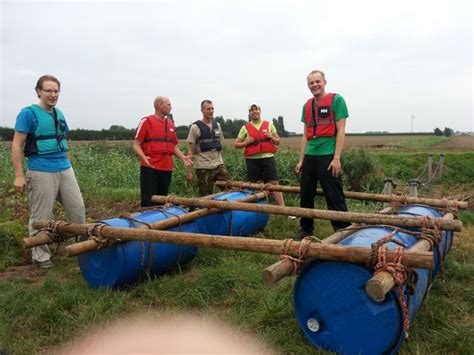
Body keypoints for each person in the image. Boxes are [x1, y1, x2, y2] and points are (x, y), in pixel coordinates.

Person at [11, 74, 86, 269]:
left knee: (77, 210)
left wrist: (69, 167)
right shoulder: (28, 113)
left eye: (56, 91)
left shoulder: (59, 113)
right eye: (48, 91)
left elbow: (64, 142)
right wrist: (19, 176)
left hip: (64, 168)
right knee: (41, 216)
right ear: (38, 92)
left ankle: (80, 249)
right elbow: (17, 145)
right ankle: (41, 255)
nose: (53, 95)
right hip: (40, 169)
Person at [294, 70, 350, 238]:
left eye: (317, 81)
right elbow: (305, 135)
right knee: (306, 194)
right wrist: (301, 160)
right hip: (310, 155)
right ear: (308, 86)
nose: (315, 85)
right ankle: (306, 228)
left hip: (328, 155)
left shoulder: (337, 100)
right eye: (311, 83)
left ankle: (343, 230)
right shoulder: (307, 105)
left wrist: (337, 158)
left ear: (324, 82)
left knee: (334, 195)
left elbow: (341, 131)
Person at [133, 96, 192, 207]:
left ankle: (159, 222)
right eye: (169, 104)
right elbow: (136, 144)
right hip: (150, 167)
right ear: (160, 105)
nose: (171, 107)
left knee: (161, 199)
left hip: (166, 168)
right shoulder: (146, 121)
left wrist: (183, 157)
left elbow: (172, 146)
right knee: (149, 200)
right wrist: (144, 158)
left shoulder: (170, 124)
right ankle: (148, 222)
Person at [234, 104, 285, 206]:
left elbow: (278, 141)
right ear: (249, 113)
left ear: (260, 111)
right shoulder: (245, 128)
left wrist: (271, 137)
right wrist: (245, 142)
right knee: (258, 185)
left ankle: (283, 209)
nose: (254, 112)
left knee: (274, 184)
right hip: (252, 161)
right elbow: (236, 145)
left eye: (256, 109)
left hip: (268, 158)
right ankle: (262, 210)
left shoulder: (269, 124)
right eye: (252, 110)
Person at [185, 100, 231, 196]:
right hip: (203, 168)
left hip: (218, 166)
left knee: (231, 189)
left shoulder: (217, 125)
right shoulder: (195, 127)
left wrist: (222, 163)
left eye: (212, 108)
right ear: (202, 110)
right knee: (206, 196)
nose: (211, 111)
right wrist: (189, 171)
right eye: (208, 109)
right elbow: (190, 151)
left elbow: (220, 145)